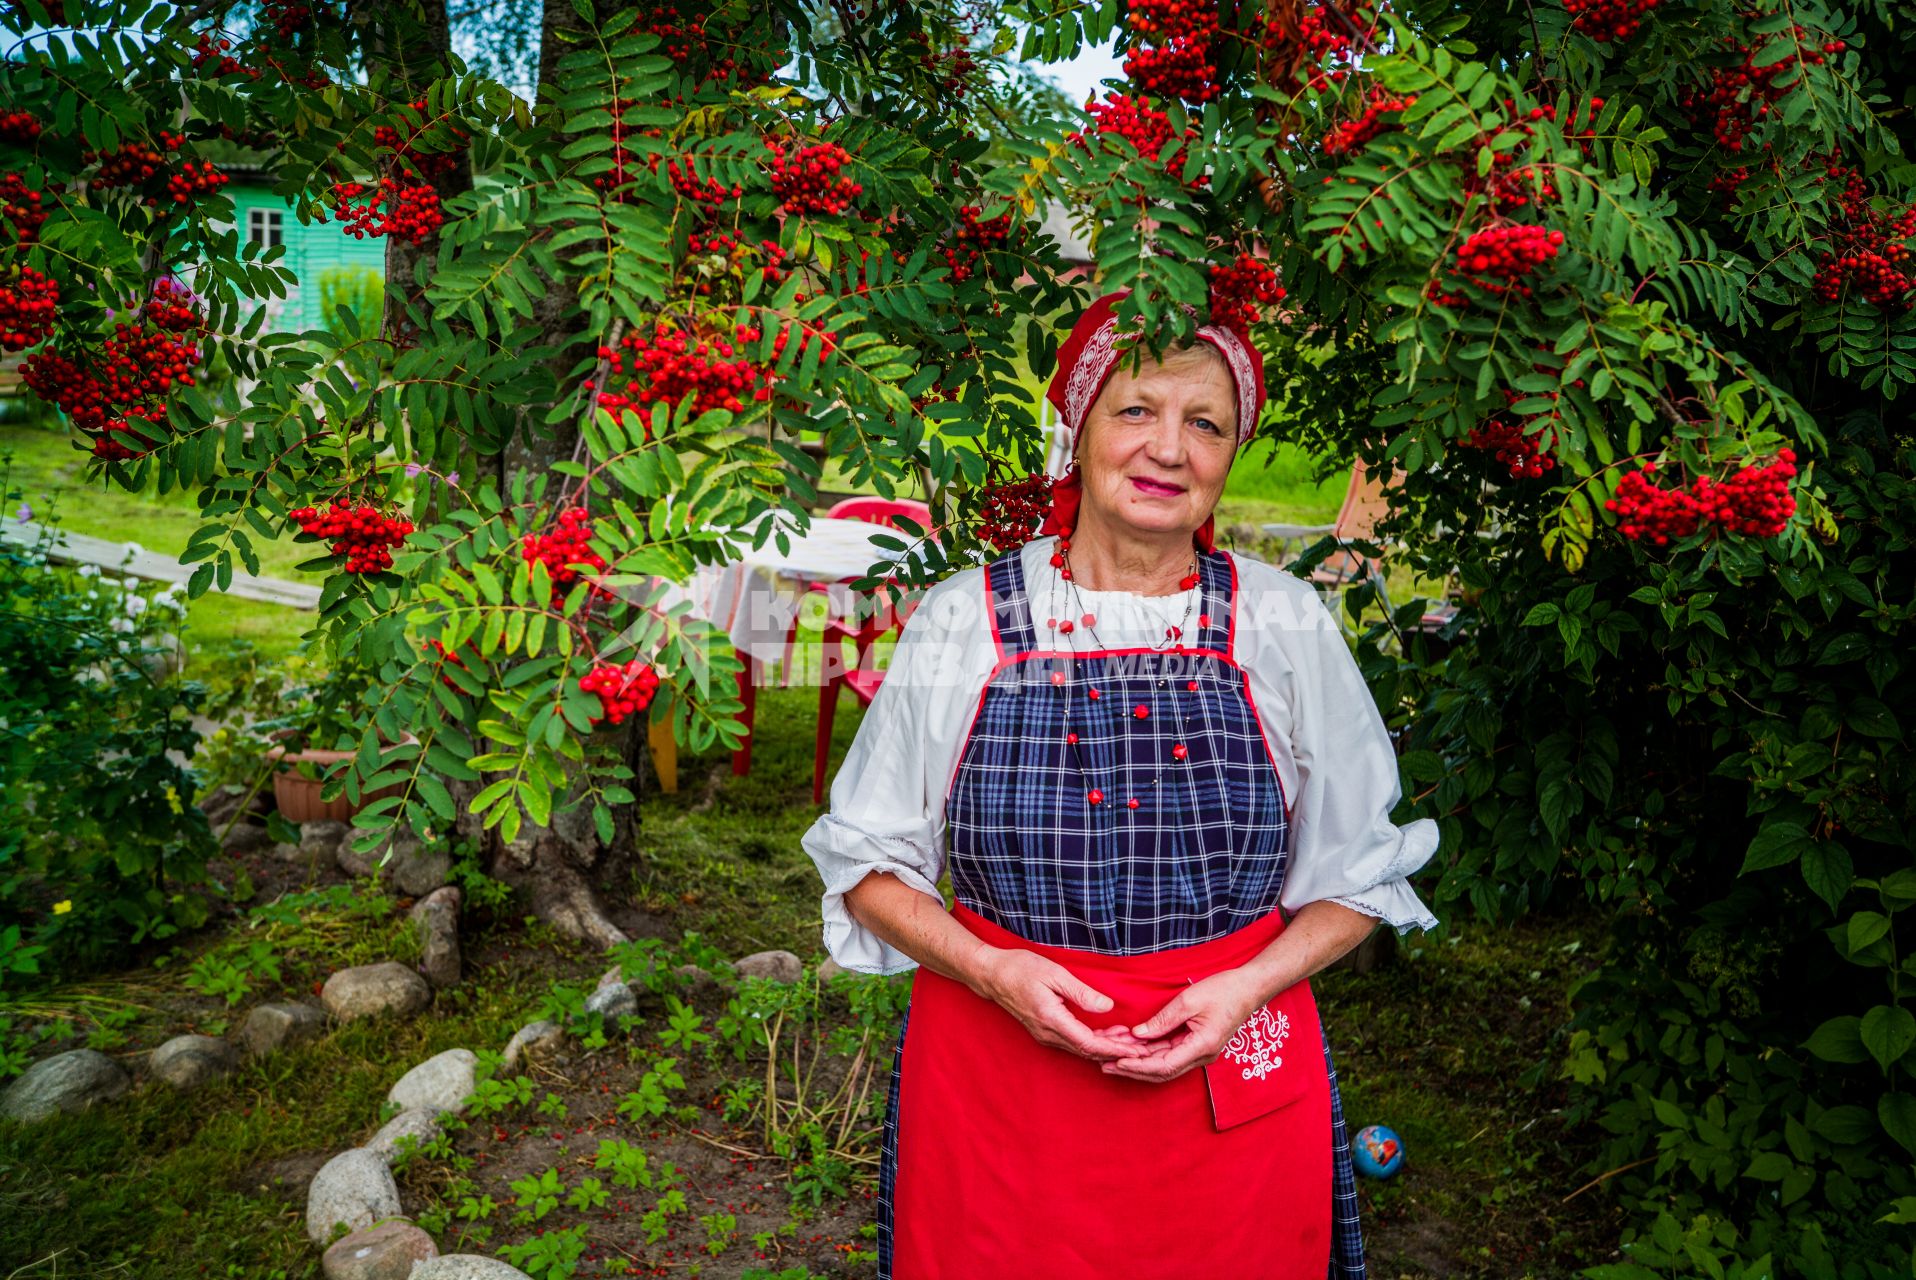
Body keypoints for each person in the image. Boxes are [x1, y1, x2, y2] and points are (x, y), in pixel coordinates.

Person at [800, 289, 1441, 1280]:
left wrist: (1246, 985)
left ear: (1230, 455)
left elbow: (1360, 873)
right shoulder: (958, 621)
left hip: (1226, 1079)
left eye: (1205, 424)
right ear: (1079, 423)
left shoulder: (1281, 623)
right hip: (1000, 1084)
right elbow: (867, 866)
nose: (1168, 449)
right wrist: (989, 970)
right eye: (1136, 410)